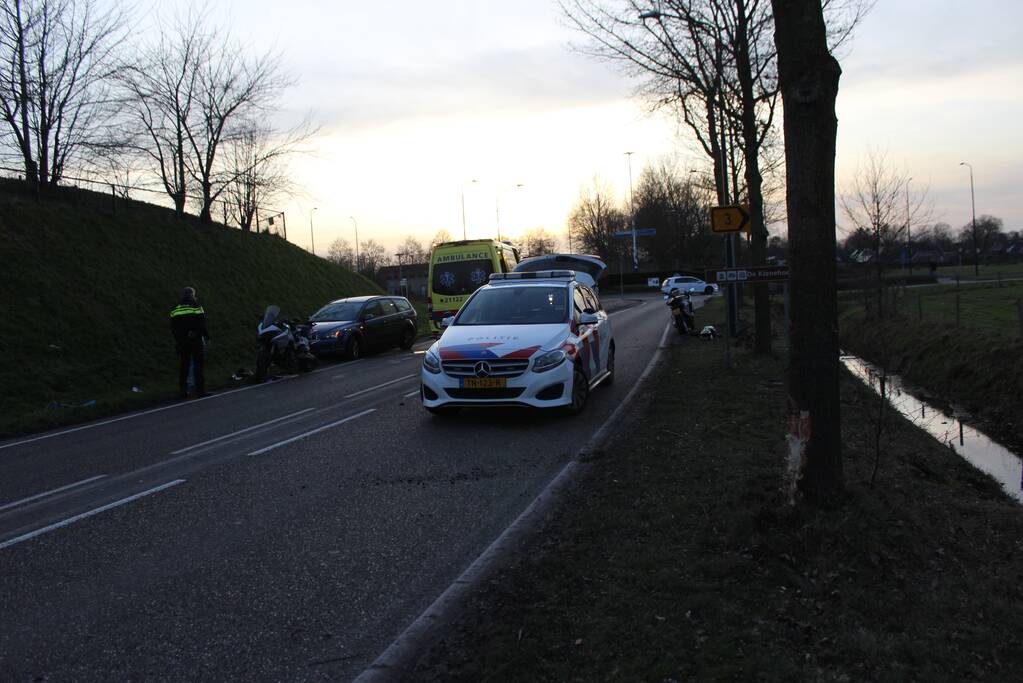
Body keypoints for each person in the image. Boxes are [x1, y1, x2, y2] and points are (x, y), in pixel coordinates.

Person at [170, 287, 210, 399]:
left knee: (184, 366)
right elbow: (202, 322)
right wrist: (207, 337)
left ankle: (183, 391)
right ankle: (200, 391)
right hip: (195, 340)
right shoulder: (196, 305)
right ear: (192, 295)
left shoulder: (176, 308)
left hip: (182, 341)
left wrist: (178, 340)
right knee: (198, 365)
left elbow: (173, 327)